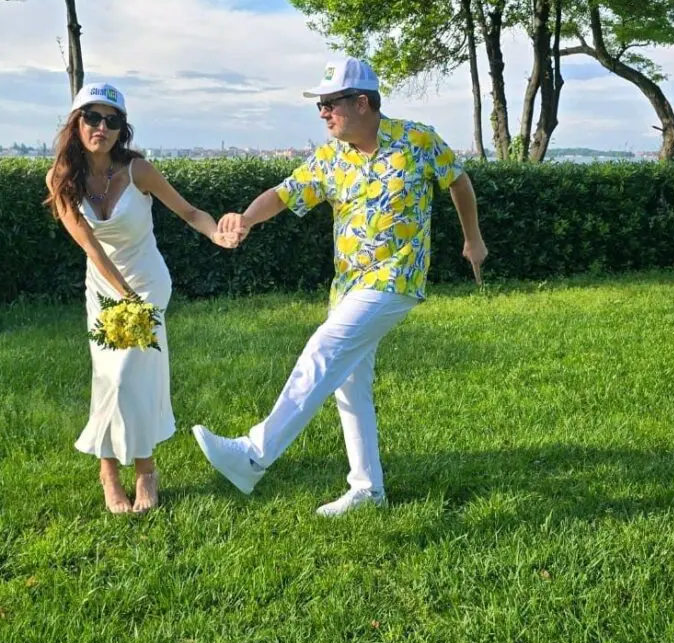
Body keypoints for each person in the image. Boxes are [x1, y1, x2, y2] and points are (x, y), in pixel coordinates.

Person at [192, 58, 488, 517]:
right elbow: (285, 193)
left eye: (330, 104)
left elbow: (459, 181)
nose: (323, 113)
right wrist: (246, 218)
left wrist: (473, 238)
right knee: (350, 385)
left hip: (395, 278)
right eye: (321, 106)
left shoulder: (417, 140)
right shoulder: (330, 157)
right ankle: (367, 490)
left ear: (362, 102)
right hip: (347, 285)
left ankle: (253, 454)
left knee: (323, 350)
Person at [46, 82, 234, 515]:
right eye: (92, 117)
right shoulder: (61, 178)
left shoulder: (138, 171)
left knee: (132, 373)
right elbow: (90, 246)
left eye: (112, 121)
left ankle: (145, 470)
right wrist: (120, 294)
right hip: (104, 288)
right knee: (110, 378)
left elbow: (188, 211)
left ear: (121, 130)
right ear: (76, 123)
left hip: (148, 284)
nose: (102, 127)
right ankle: (109, 473)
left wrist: (216, 233)